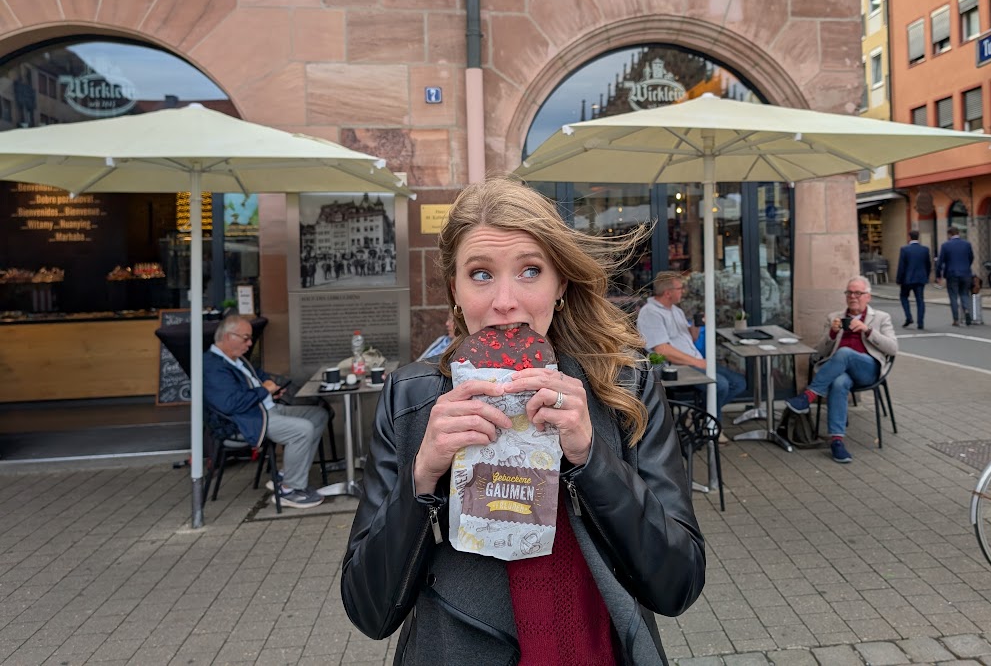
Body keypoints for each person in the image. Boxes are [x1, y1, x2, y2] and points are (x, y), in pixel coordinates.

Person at [341, 177, 705, 665]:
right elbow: (369, 611)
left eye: (530, 270)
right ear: (456, 290)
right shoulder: (410, 401)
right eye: (481, 274)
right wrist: (423, 476)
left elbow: (678, 583)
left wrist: (591, 458)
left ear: (560, 284)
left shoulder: (624, 391)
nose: (505, 300)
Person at [203, 314, 328, 509]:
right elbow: (229, 404)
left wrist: (275, 388)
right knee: (302, 429)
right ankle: (290, 490)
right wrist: (264, 391)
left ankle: (289, 474)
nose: (250, 343)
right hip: (246, 421)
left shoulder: (237, 359)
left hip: (265, 410)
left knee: (318, 415)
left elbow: (260, 378)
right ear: (228, 337)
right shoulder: (212, 366)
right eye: (246, 338)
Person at [785, 276, 898, 464]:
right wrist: (832, 333)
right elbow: (819, 352)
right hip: (840, 371)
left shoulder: (880, 318)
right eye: (849, 293)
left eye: (858, 293)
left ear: (868, 297)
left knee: (845, 352)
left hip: (867, 370)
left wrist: (867, 330)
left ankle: (809, 395)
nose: (853, 297)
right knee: (839, 383)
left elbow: (893, 348)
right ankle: (837, 441)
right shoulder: (834, 317)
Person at [636, 271, 747, 422]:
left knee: (738, 383)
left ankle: (699, 414)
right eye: (680, 288)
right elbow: (662, 350)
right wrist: (697, 362)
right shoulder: (650, 313)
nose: (683, 291)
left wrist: (696, 325)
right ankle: (711, 427)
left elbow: (691, 338)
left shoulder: (676, 310)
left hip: (694, 360)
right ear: (668, 293)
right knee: (720, 386)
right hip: (676, 366)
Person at [936, 226, 975, 327]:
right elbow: (971, 257)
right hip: (966, 273)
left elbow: (941, 261)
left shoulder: (946, 245)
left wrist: (938, 275)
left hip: (952, 274)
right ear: (958, 233)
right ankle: (966, 310)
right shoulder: (967, 244)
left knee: (953, 296)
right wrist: (966, 267)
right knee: (964, 294)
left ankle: (956, 319)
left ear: (949, 234)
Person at [895, 229, 932, 330]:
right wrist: (927, 276)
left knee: (903, 297)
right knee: (920, 300)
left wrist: (899, 279)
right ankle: (920, 322)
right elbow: (928, 264)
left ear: (909, 237)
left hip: (907, 279)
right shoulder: (925, 249)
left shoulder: (905, 249)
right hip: (920, 278)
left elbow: (901, 266)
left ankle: (909, 317)